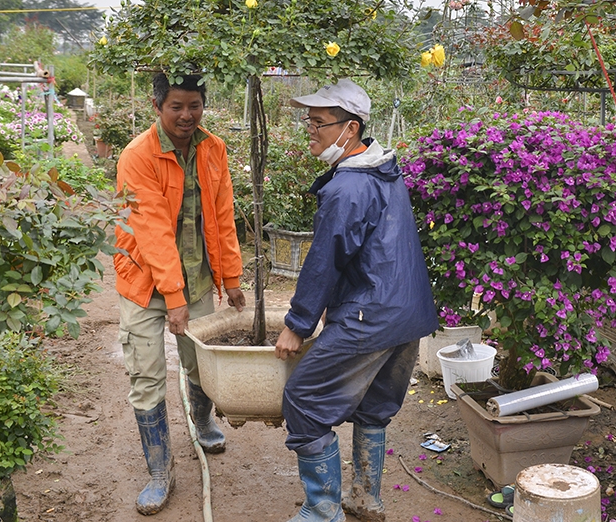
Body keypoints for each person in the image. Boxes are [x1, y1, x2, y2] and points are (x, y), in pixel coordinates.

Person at [275, 78, 437, 522]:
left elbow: (325, 260)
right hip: (408, 313)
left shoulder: (349, 188)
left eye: (320, 123)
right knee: (372, 406)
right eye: (308, 120)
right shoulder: (382, 169)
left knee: (305, 399)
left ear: (351, 128)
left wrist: (298, 324)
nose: (310, 129)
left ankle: (323, 511)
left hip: (373, 314)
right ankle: (366, 499)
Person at [114, 72, 247, 515]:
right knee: (147, 376)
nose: (187, 115)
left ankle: (203, 422)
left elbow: (222, 215)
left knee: (199, 364)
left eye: (195, 105)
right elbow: (150, 230)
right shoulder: (138, 156)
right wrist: (173, 299)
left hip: (197, 279)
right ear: (158, 107)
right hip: (144, 285)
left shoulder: (213, 149)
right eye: (177, 107)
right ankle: (159, 470)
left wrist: (231, 278)